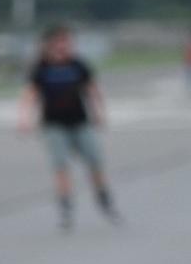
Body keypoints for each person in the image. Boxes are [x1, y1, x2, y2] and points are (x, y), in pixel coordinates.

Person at [20, 25, 118, 230]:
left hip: (79, 122)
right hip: (53, 124)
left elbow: (92, 89)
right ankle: (66, 206)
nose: (62, 46)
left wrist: (99, 113)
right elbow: (30, 94)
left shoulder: (78, 65)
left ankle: (103, 197)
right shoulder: (41, 68)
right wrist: (25, 119)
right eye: (58, 42)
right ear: (48, 46)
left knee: (94, 161)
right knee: (60, 166)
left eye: (66, 42)